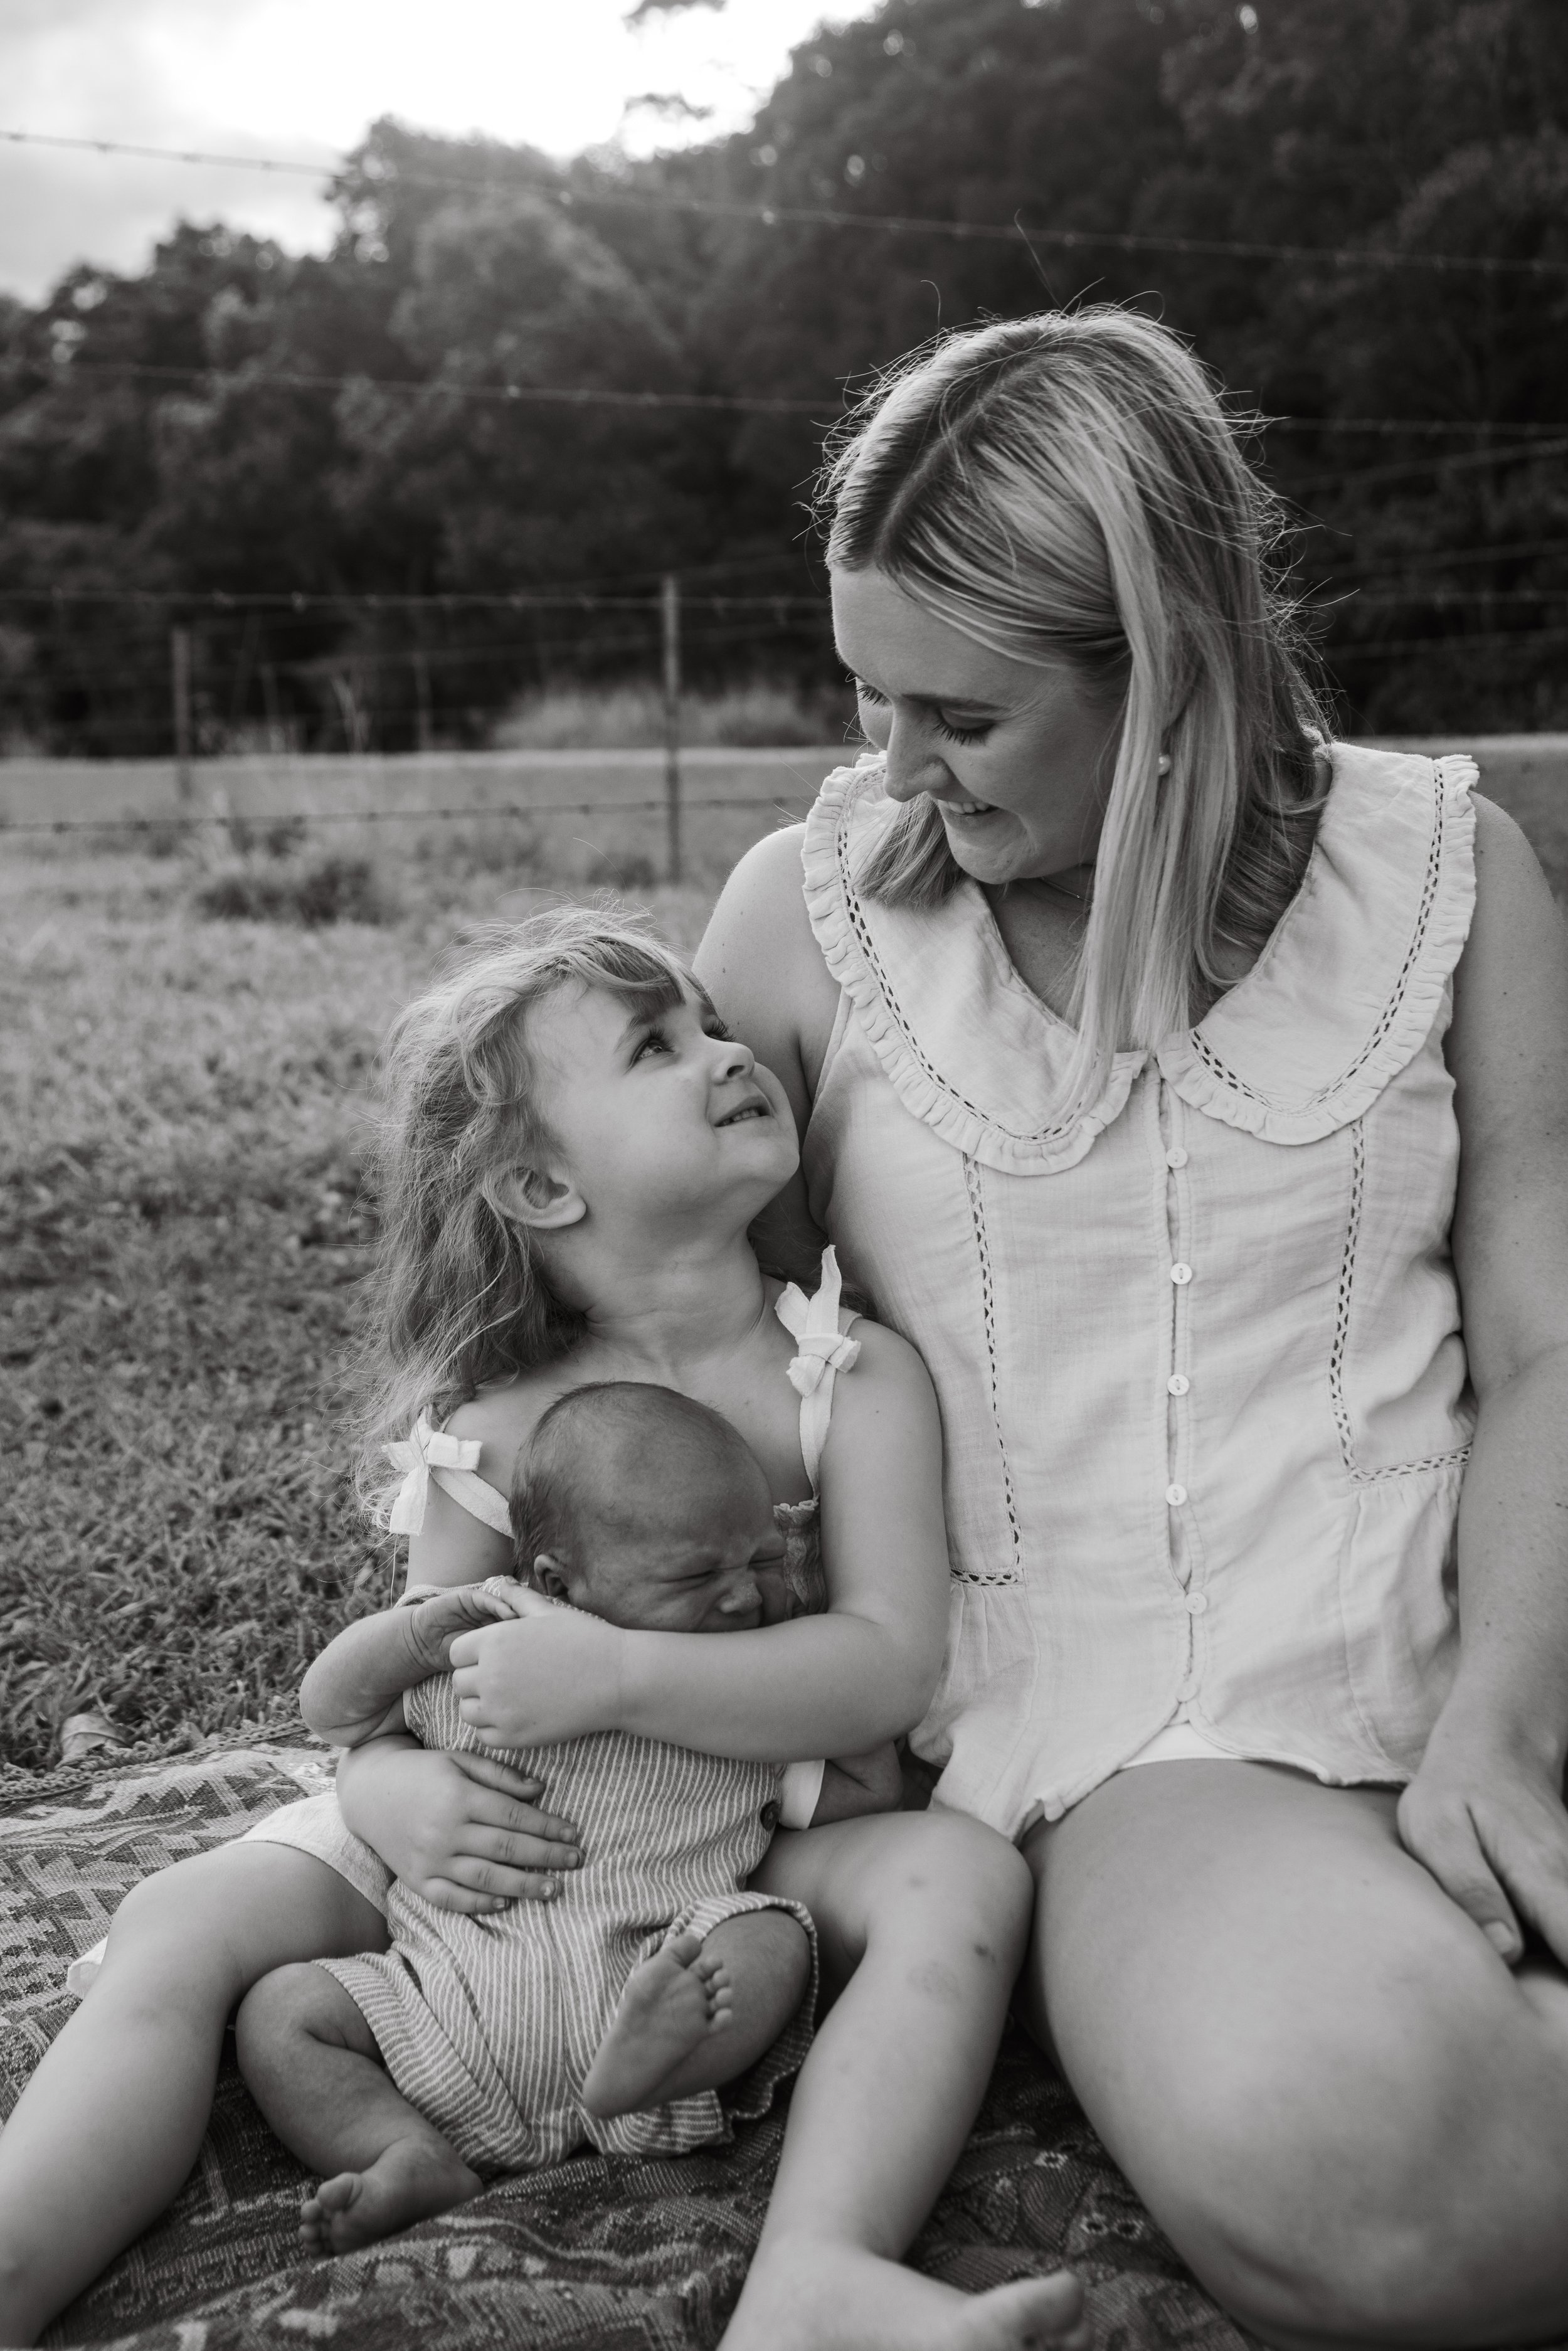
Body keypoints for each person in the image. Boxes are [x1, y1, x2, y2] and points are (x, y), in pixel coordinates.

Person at [682, 305, 1568, 2348]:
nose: (890, 763)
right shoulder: (806, 925)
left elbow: (1541, 1350)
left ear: (1166, 672)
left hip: (1498, 1633)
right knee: (1392, 2169)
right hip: (1153, 1739)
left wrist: (1504, 1707)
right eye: (868, 694)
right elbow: (700, 1386)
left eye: (963, 718)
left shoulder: (1454, 868)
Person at [0, 907, 1087, 2351]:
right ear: (539, 1184)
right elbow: (396, 1676)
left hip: (747, 1810)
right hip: (495, 1832)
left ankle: (817, 2265)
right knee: (184, 1919)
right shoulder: (491, 1426)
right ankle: (22, 2249)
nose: (723, 1052)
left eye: (707, 1021)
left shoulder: (841, 1372)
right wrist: (396, 1793)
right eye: (657, 1045)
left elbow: (884, 1659)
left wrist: (622, 1671)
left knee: (958, 1879)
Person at [235, 1381, 899, 2257]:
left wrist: (808, 1660)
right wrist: (423, 1633)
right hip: (441, 2024)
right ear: (555, 1581)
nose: (744, 1599)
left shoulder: (735, 1705)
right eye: (699, 1575)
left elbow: (868, 1781)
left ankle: (657, 2063)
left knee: (771, 1935)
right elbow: (329, 1709)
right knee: (283, 2013)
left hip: (658, 1999)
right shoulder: (486, 1655)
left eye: (765, 1562)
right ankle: (408, 2149)